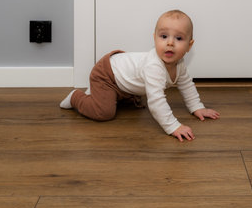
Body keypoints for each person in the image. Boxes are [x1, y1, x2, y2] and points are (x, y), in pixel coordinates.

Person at [60, 10, 220, 141]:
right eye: (164, 36)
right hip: (107, 74)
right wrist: (173, 126)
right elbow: (157, 102)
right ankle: (77, 97)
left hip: (123, 76)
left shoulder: (179, 65)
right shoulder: (154, 66)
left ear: (189, 45)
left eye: (178, 38)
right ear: (154, 38)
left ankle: (118, 95)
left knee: (133, 99)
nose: (170, 43)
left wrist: (197, 107)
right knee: (104, 112)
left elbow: (186, 85)